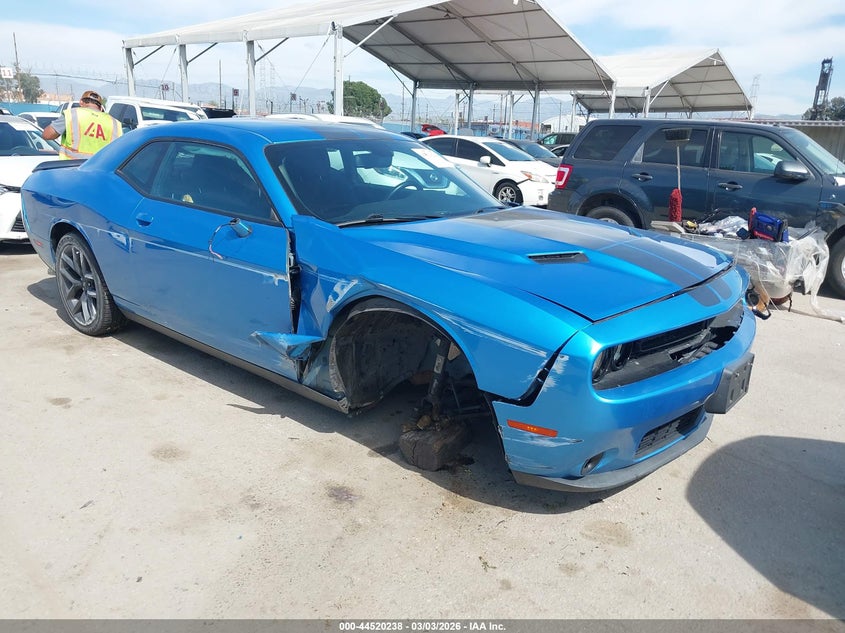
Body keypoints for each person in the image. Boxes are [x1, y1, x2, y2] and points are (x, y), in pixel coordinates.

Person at [42, 90, 122, 159]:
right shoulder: (114, 123)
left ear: (81, 102)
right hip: (101, 172)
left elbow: (47, 135)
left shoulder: (72, 114)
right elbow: (119, 151)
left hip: (73, 170)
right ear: (101, 107)